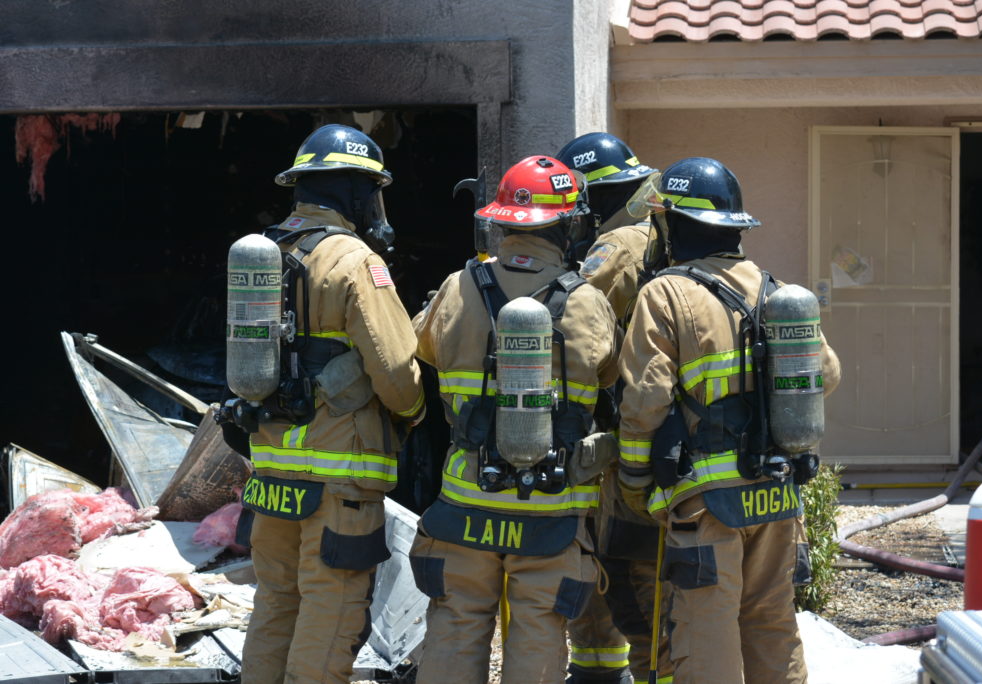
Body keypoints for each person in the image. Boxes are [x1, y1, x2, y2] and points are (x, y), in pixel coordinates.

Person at [616, 156, 841, 683]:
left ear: (677, 224)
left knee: (706, 633)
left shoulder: (665, 293)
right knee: (772, 625)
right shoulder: (774, 291)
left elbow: (645, 400)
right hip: (776, 495)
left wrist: (633, 481)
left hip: (706, 503)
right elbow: (826, 374)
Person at [409, 155, 620, 683]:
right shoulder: (587, 301)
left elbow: (419, 347)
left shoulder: (457, 287)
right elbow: (612, 373)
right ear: (569, 226)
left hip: (467, 500)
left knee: (456, 625)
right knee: (540, 628)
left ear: (502, 222)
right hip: (551, 505)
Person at [239, 123, 425, 684]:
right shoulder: (355, 260)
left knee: (276, 600)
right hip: (339, 474)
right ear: (355, 191)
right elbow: (396, 371)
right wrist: (413, 413)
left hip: (271, 468)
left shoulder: (265, 251)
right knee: (332, 604)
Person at [556, 132, 672, 684]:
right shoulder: (656, 232)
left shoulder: (617, 245)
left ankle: (613, 670)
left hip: (623, 430)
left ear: (591, 196)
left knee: (625, 576)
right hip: (652, 427)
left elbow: (568, 310)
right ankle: (601, 668)